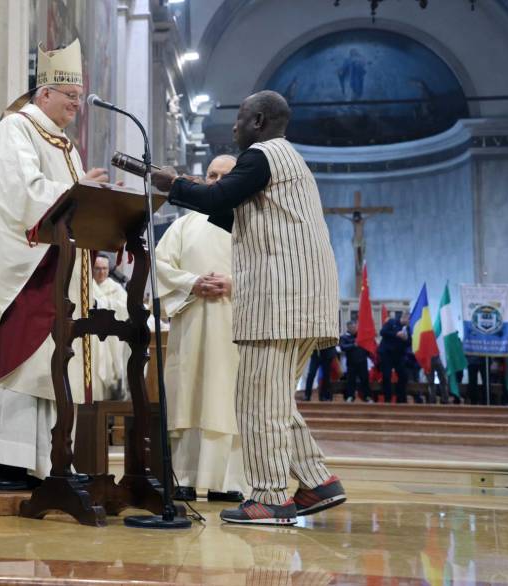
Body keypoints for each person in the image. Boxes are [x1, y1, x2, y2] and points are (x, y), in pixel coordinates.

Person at [150, 91, 346, 525]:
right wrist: (190, 191)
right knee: (271, 399)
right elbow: (230, 213)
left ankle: (271, 498)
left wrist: (174, 186)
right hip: (300, 299)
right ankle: (317, 481)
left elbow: (218, 202)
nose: (234, 127)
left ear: (257, 120)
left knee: (257, 403)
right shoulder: (286, 161)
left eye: (238, 119)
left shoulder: (262, 155)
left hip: (280, 301)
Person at [0, 40, 108, 488]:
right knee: (19, 359)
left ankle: (38, 459)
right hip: (22, 270)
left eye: (78, 97)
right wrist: (75, 193)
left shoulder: (66, 147)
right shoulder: (17, 130)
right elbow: (18, 194)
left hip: (56, 270)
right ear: (43, 93)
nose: (76, 103)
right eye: (68, 95)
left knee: (49, 365)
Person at [155, 154, 248, 503]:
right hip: (192, 324)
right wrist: (192, 283)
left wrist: (233, 284)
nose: (216, 181)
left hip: (234, 327)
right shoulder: (183, 225)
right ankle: (185, 477)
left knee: (227, 399)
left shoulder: (250, 224)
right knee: (188, 398)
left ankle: (228, 481)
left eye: (225, 176)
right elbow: (160, 266)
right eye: (211, 174)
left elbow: (270, 273)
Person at [92, 253, 129, 400]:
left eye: (104, 269)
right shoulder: (86, 286)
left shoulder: (116, 288)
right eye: (97, 268)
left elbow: (125, 309)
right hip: (93, 335)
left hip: (112, 336)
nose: (101, 272)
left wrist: (104, 303)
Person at [378, 316, 410, 403]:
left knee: (403, 375)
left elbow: (409, 343)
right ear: (403, 317)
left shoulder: (407, 328)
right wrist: (396, 334)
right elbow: (382, 332)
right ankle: (387, 398)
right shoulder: (391, 322)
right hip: (386, 354)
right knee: (386, 376)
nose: (408, 321)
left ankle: (401, 398)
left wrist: (406, 339)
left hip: (399, 355)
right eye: (407, 319)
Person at [340, 320, 371, 402]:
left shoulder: (361, 337)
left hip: (362, 361)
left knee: (364, 379)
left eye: (355, 327)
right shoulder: (344, 337)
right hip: (351, 362)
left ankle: (367, 396)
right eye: (352, 327)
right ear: (348, 328)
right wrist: (354, 345)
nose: (354, 329)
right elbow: (343, 347)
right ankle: (350, 396)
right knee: (351, 380)